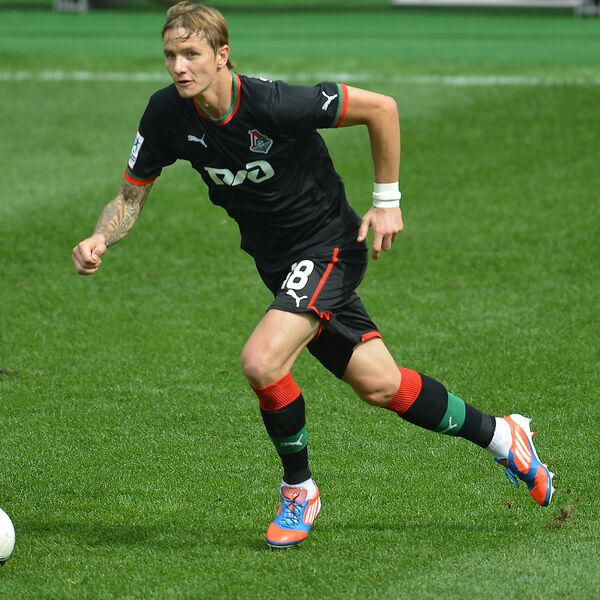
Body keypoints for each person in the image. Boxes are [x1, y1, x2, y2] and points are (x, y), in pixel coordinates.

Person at [72, 1, 555, 549]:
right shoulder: (166, 114)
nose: (179, 67)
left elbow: (382, 108)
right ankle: (503, 436)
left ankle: (298, 489)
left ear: (222, 55)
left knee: (261, 360)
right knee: (381, 385)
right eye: (170, 56)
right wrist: (100, 237)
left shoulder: (274, 103)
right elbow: (129, 196)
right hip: (281, 266)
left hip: (330, 248)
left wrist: (387, 201)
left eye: (191, 54)